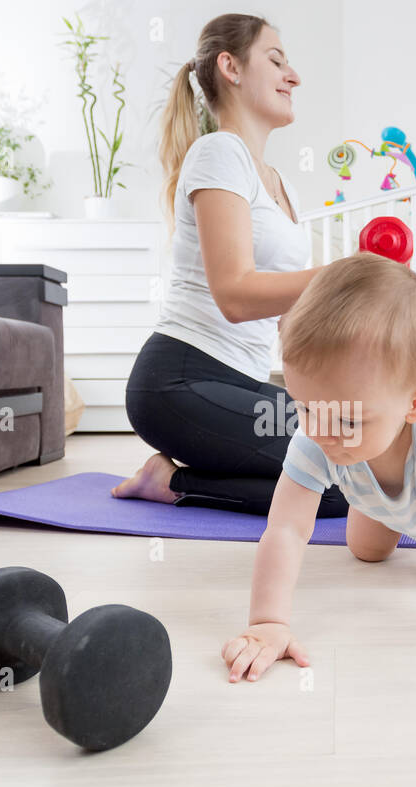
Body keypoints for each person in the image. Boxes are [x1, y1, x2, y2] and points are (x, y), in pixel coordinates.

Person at [220, 252, 416, 682]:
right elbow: (286, 529)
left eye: (347, 419)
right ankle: (379, 506)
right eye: (306, 407)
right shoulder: (318, 432)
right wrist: (268, 622)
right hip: (374, 494)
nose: (323, 430)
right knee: (366, 552)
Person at [112, 13, 348, 518]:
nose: (294, 76)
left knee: (358, 446)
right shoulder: (218, 153)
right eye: (276, 60)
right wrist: (341, 278)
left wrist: (330, 399)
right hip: (178, 382)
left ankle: (180, 473)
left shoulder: (284, 186)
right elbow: (236, 295)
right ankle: (170, 481)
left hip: (243, 382)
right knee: (338, 482)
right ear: (231, 67)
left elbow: (288, 319)